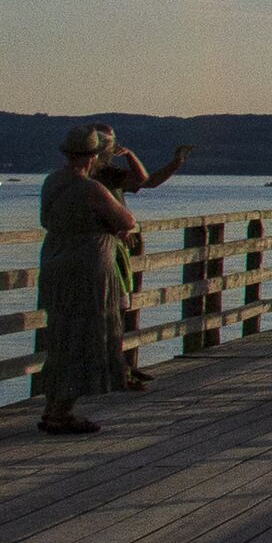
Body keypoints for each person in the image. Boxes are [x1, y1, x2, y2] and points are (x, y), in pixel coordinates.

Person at [35, 125, 142, 434]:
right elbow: (126, 220)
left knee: (61, 336)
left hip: (55, 261)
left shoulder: (50, 182)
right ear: (94, 156)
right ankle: (61, 413)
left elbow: (45, 220)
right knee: (86, 336)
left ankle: (52, 407)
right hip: (87, 268)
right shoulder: (91, 188)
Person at [95, 139, 187, 390]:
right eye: (105, 141)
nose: (111, 145)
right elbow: (146, 181)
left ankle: (122, 367)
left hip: (115, 250)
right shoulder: (98, 176)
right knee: (110, 312)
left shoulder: (108, 173)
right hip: (103, 251)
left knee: (120, 309)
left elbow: (148, 180)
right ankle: (117, 371)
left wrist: (135, 155)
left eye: (113, 140)